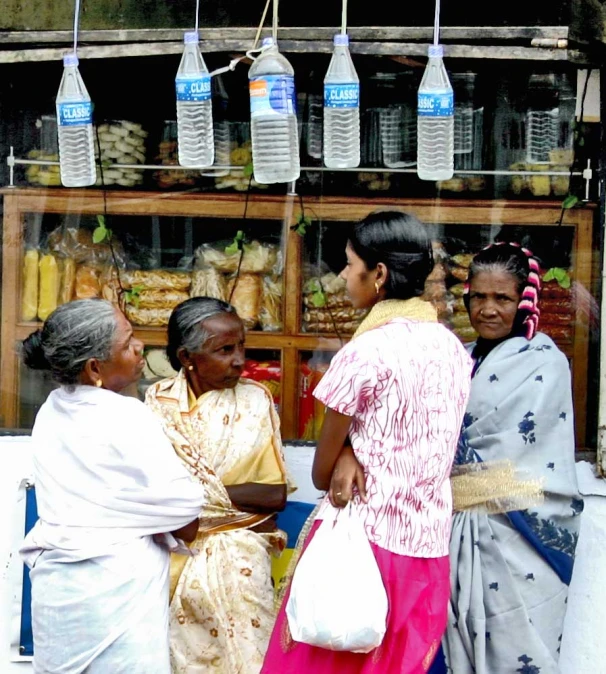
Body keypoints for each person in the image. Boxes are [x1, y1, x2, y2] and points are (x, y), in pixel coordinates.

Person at [261, 211, 472, 674]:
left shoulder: (364, 353)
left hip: (360, 552)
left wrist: (348, 452)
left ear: (378, 274)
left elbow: (321, 475)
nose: (340, 276)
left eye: (348, 263)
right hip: (427, 554)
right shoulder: (453, 349)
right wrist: (354, 449)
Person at [20, 299, 205, 674]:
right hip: (120, 594)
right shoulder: (128, 416)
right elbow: (186, 512)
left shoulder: (49, 411)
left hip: (58, 595)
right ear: (94, 368)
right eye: (128, 342)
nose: (139, 348)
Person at [432, 242, 584, 674]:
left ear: (525, 300)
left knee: (522, 652)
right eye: (478, 296)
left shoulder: (544, 363)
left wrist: (463, 483)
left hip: (520, 542)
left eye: (503, 298)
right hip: (458, 536)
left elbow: (529, 460)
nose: (488, 309)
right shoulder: (458, 360)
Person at [145, 297, 292, 674]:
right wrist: (230, 505)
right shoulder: (157, 403)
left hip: (243, 564)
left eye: (242, 346)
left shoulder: (255, 399)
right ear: (187, 356)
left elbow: (273, 495)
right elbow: (154, 499)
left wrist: (190, 500)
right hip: (175, 562)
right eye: (225, 350)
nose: (240, 359)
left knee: (251, 660)